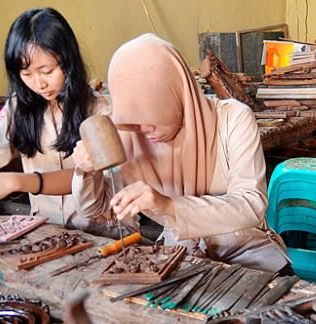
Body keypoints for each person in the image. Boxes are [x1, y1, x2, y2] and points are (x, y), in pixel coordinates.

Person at [72, 34, 290, 273]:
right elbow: (96, 211)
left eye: (152, 116)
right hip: (179, 259)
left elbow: (251, 204)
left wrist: (169, 206)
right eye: (134, 120)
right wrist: (85, 171)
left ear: (176, 94)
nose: (144, 131)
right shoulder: (130, 134)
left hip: (249, 254)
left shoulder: (233, 119)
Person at [0, 8, 125, 237]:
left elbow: (84, 175)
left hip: (103, 231)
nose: (38, 84)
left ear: (68, 60)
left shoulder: (101, 111)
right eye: (26, 75)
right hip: (47, 230)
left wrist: (17, 182)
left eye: (47, 71)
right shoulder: (19, 107)